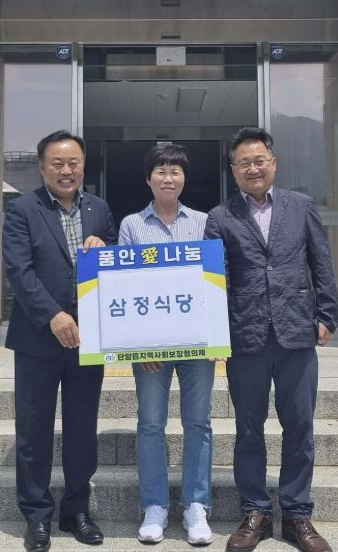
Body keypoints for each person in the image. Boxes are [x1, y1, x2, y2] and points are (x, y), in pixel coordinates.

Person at [204, 127, 338, 552]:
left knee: (299, 425)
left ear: (273, 164)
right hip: (245, 336)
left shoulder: (301, 206)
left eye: (259, 160)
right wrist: (214, 333)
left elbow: (321, 262)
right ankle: (256, 513)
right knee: (248, 428)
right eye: (244, 163)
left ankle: (297, 514)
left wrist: (327, 315)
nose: (253, 168)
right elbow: (215, 280)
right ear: (233, 170)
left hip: (296, 330)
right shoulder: (219, 217)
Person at [3, 130, 117, 552]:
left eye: (74, 163)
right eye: (57, 163)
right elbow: (19, 271)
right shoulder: (22, 209)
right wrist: (53, 315)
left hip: (89, 339)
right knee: (33, 429)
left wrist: (105, 246)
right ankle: (36, 515)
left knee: (82, 428)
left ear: (83, 166)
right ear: (42, 167)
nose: (66, 170)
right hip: (38, 339)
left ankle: (76, 510)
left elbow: (115, 262)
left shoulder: (99, 208)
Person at [118, 143, 215, 546]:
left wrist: (216, 337)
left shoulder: (204, 222)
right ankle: (154, 506)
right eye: (161, 171)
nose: (168, 178)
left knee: (198, 423)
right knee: (150, 423)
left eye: (176, 171)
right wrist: (141, 347)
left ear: (184, 178)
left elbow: (215, 281)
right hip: (150, 350)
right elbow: (124, 288)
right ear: (148, 179)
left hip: (197, 344)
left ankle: (196, 506)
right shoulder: (131, 225)